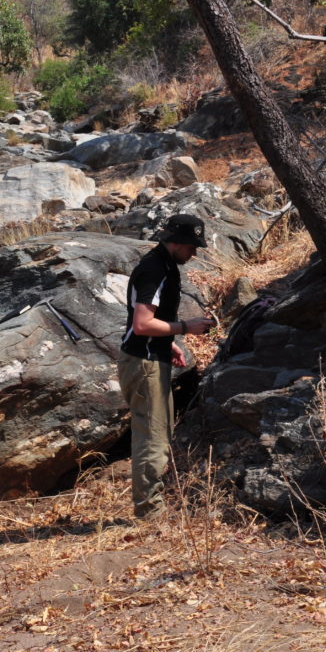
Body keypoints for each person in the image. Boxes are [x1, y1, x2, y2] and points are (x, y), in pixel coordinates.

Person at [118, 214, 214, 519]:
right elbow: (143, 322)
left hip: (149, 356)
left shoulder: (164, 263)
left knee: (158, 433)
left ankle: (152, 507)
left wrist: (168, 341)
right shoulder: (154, 268)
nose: (194, 253)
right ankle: (150, 514)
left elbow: (144, 323)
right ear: (178, 242)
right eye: (192, 247)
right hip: (143, 364)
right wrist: (186, 326)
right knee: (153, 439)